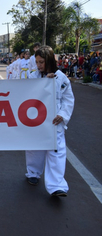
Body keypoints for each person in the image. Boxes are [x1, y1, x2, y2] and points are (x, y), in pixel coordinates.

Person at [25, 45, 74, 197]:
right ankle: (33, 173)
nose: (39, 65)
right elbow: (26, 93)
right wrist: (44, 83)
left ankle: (57, 185)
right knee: (34, 149)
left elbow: (68, 99)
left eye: (42, 62)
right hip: (36, 119)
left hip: (55, 121)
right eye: (37, 62)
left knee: (56, 152)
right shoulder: (34, 77)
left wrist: (63, 115)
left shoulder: (61, 77)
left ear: (50, 61)